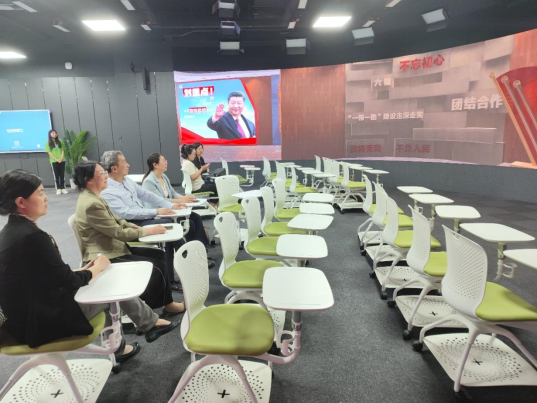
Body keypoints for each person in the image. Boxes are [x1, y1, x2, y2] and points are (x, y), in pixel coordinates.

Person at [0, 169, 178, 363]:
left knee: (105, 280)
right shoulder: (32, 236)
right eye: (41, 193)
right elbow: (68, 281)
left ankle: (129, 339)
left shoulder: (15, 230)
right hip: (41, 320)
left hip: (31, 312)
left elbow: (45, 276)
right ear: (21, 202)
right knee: (112, 289)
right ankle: (139, 332)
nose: (46, 198)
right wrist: (96, 268)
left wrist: (88, 270)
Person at [73, 161, 186, 313]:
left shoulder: (95, 197)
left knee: (160, 255)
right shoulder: (91, 203)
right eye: (101, 173)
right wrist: (147, 231)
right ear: (88, 180)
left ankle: (165, 303)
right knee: (156, 266)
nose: (106, 176)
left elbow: (117, 220)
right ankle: (154, 308)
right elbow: (118, 233)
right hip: (105, 255)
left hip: (114, 247)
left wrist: (133, 226)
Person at [99, 150, 214, 273]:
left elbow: (147, 195)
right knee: (169, 226)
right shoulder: (107, 190)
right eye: (124, 162)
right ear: (114, 168)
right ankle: (191, 260)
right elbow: (126, 213)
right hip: (131, 224)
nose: (128, 165)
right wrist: (156, 211)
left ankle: (183, 266)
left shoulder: (126, 181)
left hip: (144, 217)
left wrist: (170, 205)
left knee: (179, 223)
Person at [141, 152, 211, 247]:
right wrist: (182, 201)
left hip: (170, 209)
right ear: (155, 165)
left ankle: (202, 246)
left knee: (196, 217)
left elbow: (173, 193)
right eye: (163, 161)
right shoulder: (149, 181)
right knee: (190, 223)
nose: (166, 162)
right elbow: (161, 201)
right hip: (160, 213)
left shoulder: (164, 176)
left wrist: (185, 198)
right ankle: (191, 249)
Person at [45, 129, 68, 195]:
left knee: (62, 175)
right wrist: (57, 159)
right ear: (50, 134)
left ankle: (63, 188)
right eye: (52, 133)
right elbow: (49, 152)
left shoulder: (60, 141)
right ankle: (58, 188)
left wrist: (61, 158)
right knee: (56, 175)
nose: (54, 134)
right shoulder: (47, 143)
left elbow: (63, 150)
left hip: (62, 160)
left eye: (55, 133)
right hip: (54, 161)